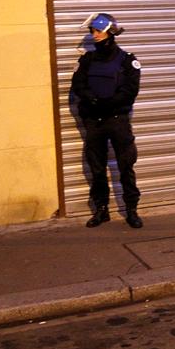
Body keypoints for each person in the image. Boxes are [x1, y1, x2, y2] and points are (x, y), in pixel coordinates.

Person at [71, 13, 143, 229]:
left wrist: (109, 103)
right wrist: (92, 99)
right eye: (92, 31)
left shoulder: (127, 60)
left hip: (117, 120)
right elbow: (78, 85)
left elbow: (130, 90)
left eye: (98, 31)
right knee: (97, 167)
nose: (94, 35)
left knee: (126, 165)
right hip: (95, 120)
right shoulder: (87, 60)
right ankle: (101, 210)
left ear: (110, 32)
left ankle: (131, 209)